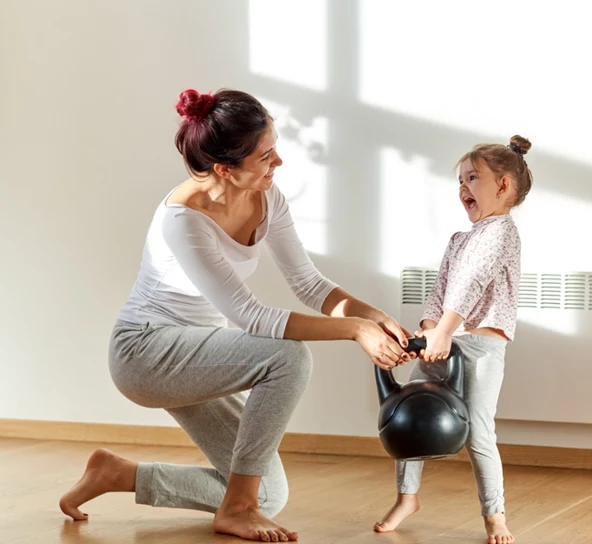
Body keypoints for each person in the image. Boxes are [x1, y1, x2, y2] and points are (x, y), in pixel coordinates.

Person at [58, 88, 413, 543]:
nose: (278, 163)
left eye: (275, 149)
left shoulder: (268, 197)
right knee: (287, 359)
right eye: (266, 157)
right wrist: (353, 330)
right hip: (144, 352)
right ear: (224, 169)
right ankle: (237, 509)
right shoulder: (183, 220)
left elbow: (309, 285)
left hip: (201, 353)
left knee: (270, 495)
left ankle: (116, 473)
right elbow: (250, 316)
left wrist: (375, 318)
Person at [373, 135, 533, 544]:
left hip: (479, 347)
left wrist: (446, 330)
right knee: (409, 416)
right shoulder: (459, 240)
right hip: (441, 342)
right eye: (459, 181)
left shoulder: (501, 233)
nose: (463, 188)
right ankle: (407, 497)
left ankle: (495, 515)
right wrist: (428, 330)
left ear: (503, 187)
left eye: (472, 178)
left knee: (478, 432)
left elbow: (473, 284)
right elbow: (441, 289)